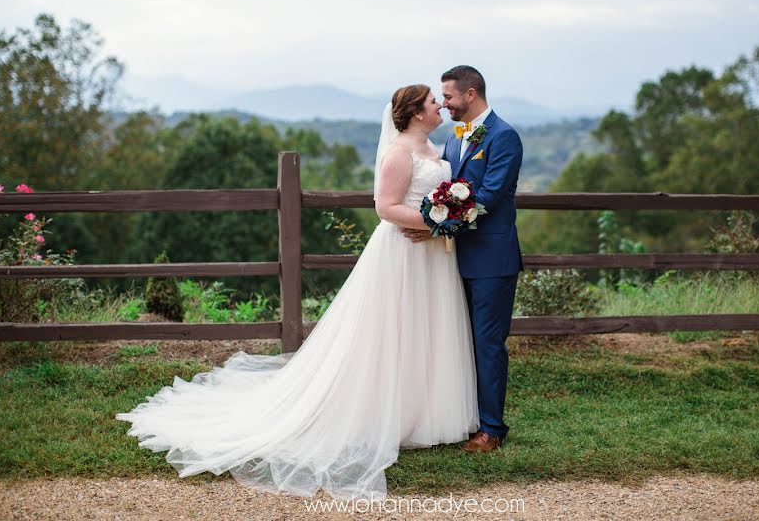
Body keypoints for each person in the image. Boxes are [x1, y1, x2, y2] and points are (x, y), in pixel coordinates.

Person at [115, 84, 479, 501]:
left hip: (434, 255)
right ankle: (390, 414)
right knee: (393, 330)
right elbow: (384, 207)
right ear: (416, 112)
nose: (440, 106)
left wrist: (447, 220)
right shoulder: (399, 153)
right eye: (434, 102)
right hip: (404, 253)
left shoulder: (438, 149)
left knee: (427, 328)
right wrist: (433, 224)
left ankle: (428, 415)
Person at [403, 65, 523, 452]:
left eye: (450, 97)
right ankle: (466, 418)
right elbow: (447, 191)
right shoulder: (454, 141)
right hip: (454, 259)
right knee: (459, 341)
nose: (445, 104)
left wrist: (434, 228)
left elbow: (488, 197)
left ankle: (492, 429)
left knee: (487, 343)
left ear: (470, 95)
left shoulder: (504, 137)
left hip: (492, 260)